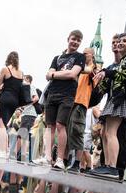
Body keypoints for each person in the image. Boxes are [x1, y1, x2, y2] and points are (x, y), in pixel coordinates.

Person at [91, 32, 126, 179]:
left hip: (121, 99)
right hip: (114, 99)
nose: (120, 43)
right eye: (119, 41)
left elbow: (122, 74)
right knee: (105, 133)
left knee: (112, 132)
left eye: (125, 41)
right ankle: (107, 165)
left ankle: (112, 167)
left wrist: (106, 72)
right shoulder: (121, 61)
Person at [34, 30, 85, 169]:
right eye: (73, 39)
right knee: (50, 126)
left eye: (78, 40)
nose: (75, 42)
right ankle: (47, 157)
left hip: (67, 95)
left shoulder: (80, 57)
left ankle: (60, 160)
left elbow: (72, 74)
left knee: (61, 125)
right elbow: (47, 75)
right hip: (52, 94)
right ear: (68, 39)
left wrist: (54, 74)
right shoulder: (57, 57)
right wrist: (61, 74)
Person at [67, 47, 99, 172]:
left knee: (78, 132)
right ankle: (66, 160)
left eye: (85, 54)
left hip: (82, 102)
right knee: (69, 131)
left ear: (92, 55)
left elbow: (94, 80)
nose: (83, 55)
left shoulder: (94, 69)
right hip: (72, 100)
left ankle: (77, 163)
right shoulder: (80, 67)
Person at [0, 51, 24, 158]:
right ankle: (4, 150)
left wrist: (1, 87)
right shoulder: (21, 72)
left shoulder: (5, 69)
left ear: (8, 59)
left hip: (6, 97)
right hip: (15, 101)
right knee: (5, 123)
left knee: (2, 124)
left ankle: (2, 150)